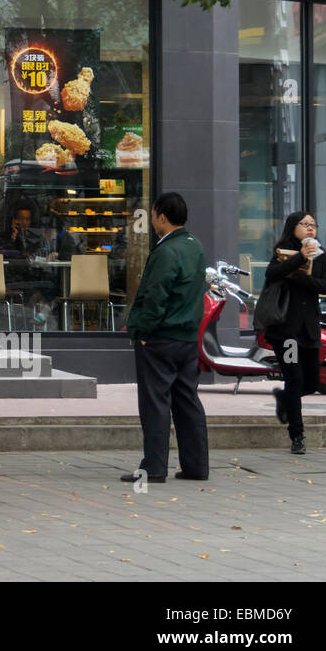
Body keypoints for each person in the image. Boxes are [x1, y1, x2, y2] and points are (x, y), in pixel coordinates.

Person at [121, 192, 208, 484]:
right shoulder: (195, 246)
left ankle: (154, 466)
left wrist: (144, 332)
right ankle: (196, 466)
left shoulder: (165, 251)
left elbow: (155, 295)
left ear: (161, 217)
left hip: (160, 337)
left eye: (155, 215)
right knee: (187, 400)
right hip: (187, 338)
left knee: (155, 402)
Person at [264, 212, 326, 454]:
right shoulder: (283, 250)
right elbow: (271, 275)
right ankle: (297, 435)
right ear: (293, 228)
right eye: (305, 224)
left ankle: (284, 399)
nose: (310, 228)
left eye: (313, 224)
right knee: (294, 379)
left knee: (311, 381)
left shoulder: (321, 253)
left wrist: (298, 277)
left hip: (309, 328)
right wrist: (297, 260)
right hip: (287, 331)